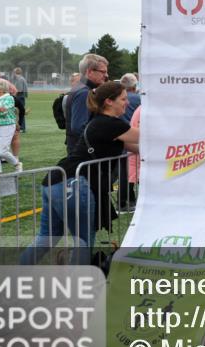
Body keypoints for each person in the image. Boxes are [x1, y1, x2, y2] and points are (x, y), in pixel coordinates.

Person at [20, 81, 139, 265]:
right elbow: (147, 136)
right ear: (109, 101)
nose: (127, 103)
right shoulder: (110, 124)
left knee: (47, 238)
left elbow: (138, 147)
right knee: (83, 241)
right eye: (123, 99)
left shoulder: (99, 123)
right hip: (74, 183)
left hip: (55, 180)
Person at [65, 54, 108, 154]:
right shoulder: (84, 92)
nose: (106, 75)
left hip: (82, 150)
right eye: (103, 72)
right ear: (89, 72)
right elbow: (78, 128)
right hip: (83, 153)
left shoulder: (82, 88)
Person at [12, 67, 29, 133]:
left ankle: (21, 127)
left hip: (18, 96)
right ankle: (21, 127)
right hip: (21, 96)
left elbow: (18, 89)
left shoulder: (18, 78)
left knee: (19, 112)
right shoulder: (22, 78)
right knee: (21, 112)